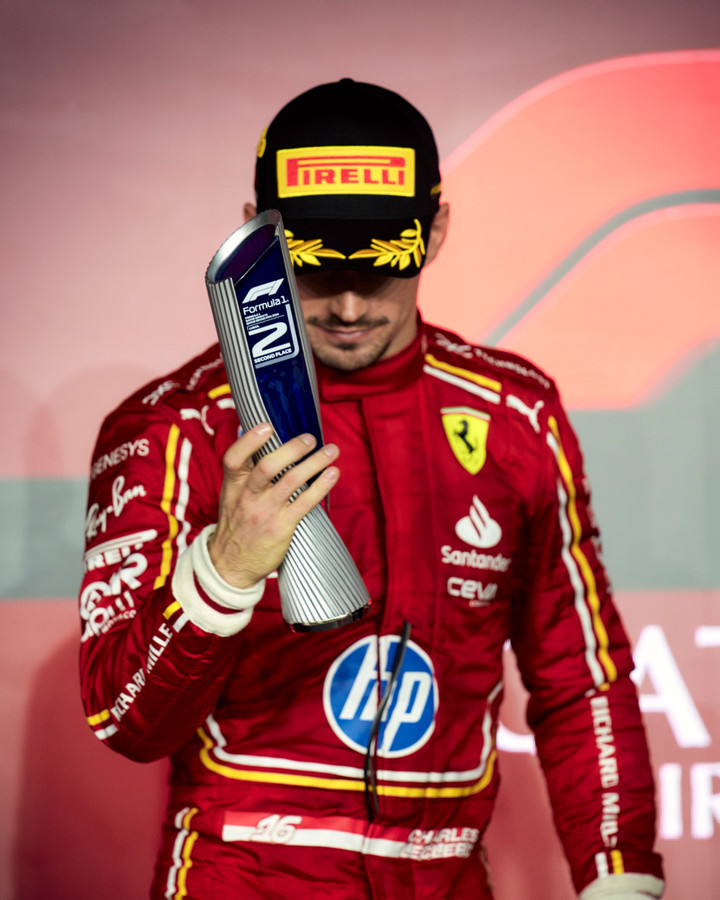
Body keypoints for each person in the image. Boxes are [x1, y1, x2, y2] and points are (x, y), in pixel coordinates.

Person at [79, 78, 665, 899]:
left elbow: (580, 678)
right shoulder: (172, 427)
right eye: (318, 267)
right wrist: (224, 570)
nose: (350, 304)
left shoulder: (516, 413)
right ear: (257, 233)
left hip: (450, 876)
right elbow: (125, 722)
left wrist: (620, 876)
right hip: (245, 871)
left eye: (382, 265)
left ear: (437, 230)